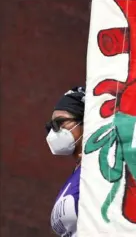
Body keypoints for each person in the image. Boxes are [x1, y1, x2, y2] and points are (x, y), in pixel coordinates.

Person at [45, 86, 85, 237]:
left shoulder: (102, 166)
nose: (53, 132)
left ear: (85, 121)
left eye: (59, 123)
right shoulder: (73, 177)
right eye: (50, 127)